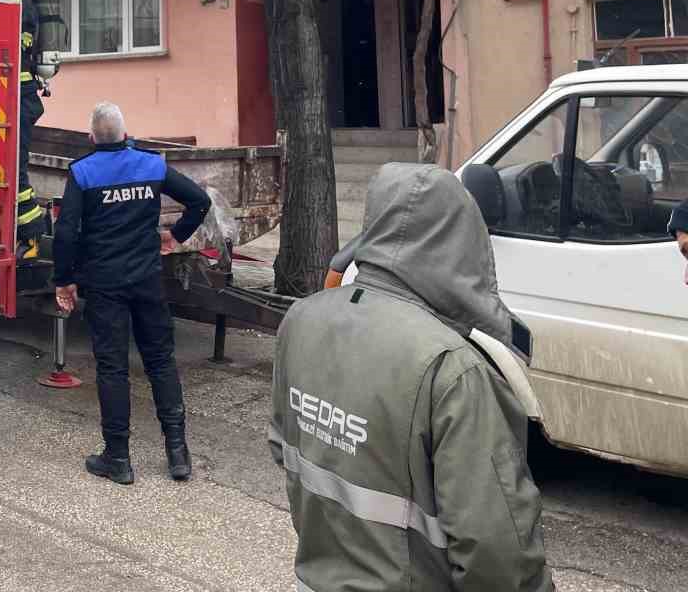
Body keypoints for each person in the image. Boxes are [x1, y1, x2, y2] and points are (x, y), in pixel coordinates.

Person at [271, 163, 554, 591]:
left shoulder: (301, 319)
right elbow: (497, 553)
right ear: (461, 242)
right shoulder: (453, 367)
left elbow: (284, 446)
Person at [54, 102, 212, 484]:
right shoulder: (152, 165)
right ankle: (178, 454)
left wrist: (65, 279)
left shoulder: (83, 172)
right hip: (147, 280)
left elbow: (66, 232)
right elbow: (200, 201)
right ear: (125, 135)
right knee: (160, 361)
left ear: (92, 138)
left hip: (105, 285)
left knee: (113, 368)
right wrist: (175, 236)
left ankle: (118, 458)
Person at [0, 0, 50, 258]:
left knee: (14, 170)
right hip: (15, 95)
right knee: (11, 168)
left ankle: (30, 235)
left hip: (16, 96)